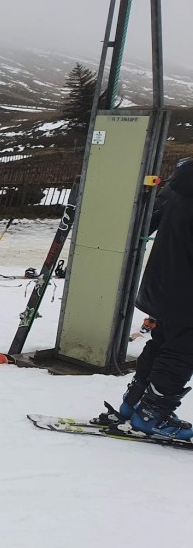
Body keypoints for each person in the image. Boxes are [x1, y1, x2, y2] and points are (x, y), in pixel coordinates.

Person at [111, 157, 193, 441]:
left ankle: (133, 403)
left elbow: (148, 223)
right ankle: (152, 414)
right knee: (182, 351)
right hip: (186, 290)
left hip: (162, 281)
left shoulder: (180, 181)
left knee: (162, 343)